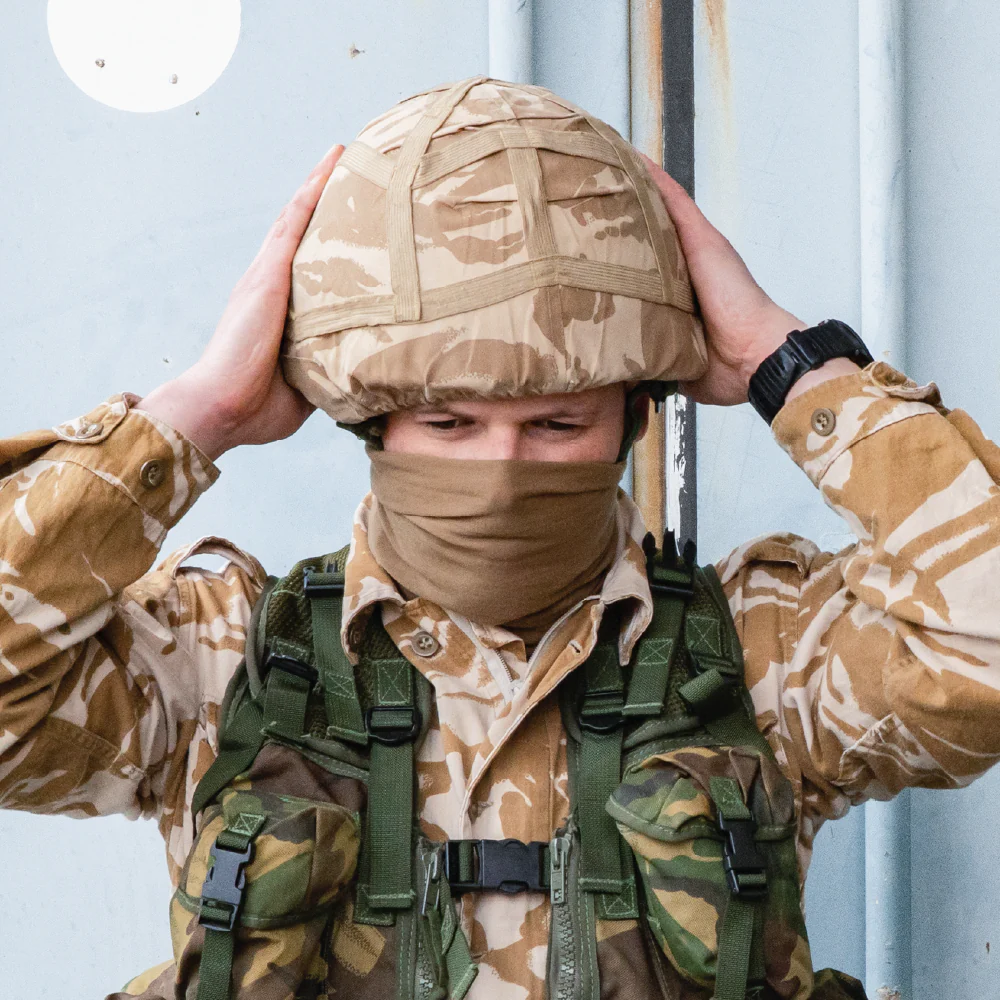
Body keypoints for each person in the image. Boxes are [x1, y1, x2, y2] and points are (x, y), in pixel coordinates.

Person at [1, 78, 997, 1000]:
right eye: (448, 424)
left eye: (558, 425)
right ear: (369, 421)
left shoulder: (757, 657)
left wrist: (790, 366)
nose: (501, 465)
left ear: (634, 419)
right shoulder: (225, 666)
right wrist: (188, 421)